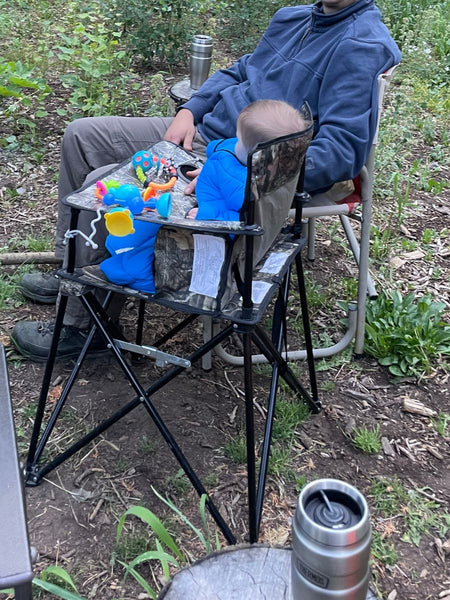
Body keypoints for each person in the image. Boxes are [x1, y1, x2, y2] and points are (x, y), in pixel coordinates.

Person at [11, 0, 401, 361]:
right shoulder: (293, 17)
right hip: (207, 134)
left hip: (236, 162)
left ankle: (84, 326)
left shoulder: (360, 44)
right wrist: (190, 110)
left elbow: (340, 151)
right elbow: (239, 70)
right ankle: (72, 272)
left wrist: (239, 172)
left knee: (102, 185)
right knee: (81, 136)